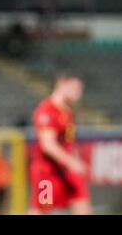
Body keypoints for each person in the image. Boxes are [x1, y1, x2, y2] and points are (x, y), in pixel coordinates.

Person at [29, 71, 92, 215]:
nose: (79, 93)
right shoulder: (47, 110)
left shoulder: (67, 112)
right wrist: (72, 162)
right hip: (48, 172)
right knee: (41, 210)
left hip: (66, 171)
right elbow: (48, 145)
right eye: (76, 88)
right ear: (62, 84)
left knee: (83, 204)